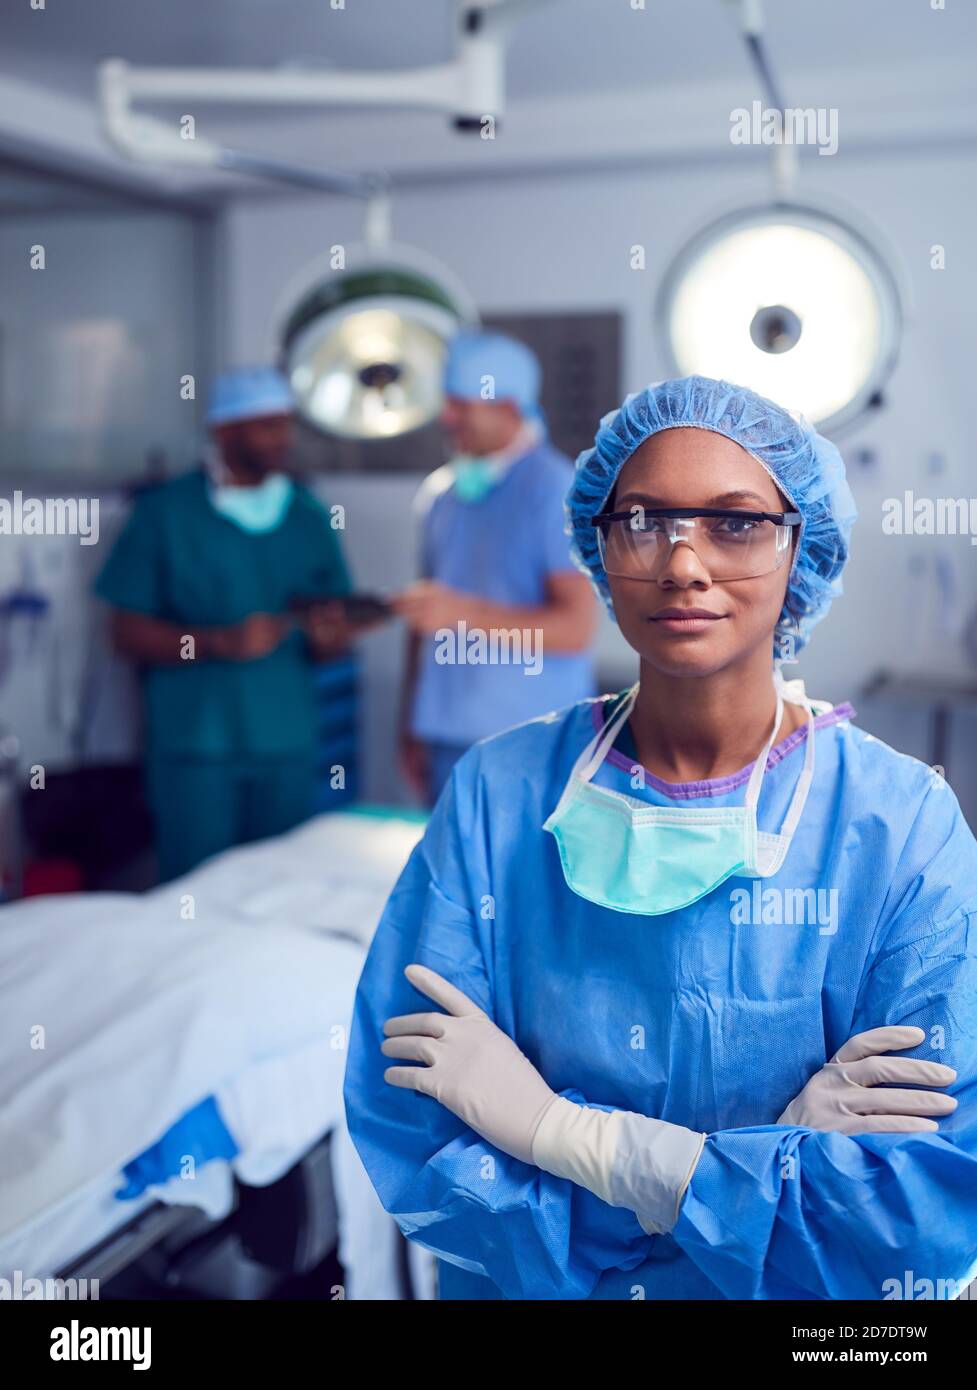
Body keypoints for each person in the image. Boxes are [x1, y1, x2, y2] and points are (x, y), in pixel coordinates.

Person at [344, 375, 977, 1301]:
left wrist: (559, 1135)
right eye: (641, 520)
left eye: (736, 523)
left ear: (799, 545)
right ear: (599, 547)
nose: (682, 563)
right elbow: (421, 1138)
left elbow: (918, 1205)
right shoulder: (496, 795)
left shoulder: (900, 825)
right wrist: (759, 1170)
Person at [96, 367, 357, 882]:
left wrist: (331, 638)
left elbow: (335, 634)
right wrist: (217, 642)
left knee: (280, 890)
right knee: (194, 893)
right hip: (197, 748)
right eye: (267, 426)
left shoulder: (309, 516)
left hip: (286, 743)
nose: (283, 439)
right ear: (224, 430)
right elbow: (125, 633)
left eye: (286, 424)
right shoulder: (165, 513)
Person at [395, 330, 597, 804]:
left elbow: (574, 629)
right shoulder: (443, 494)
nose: (447, 417)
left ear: (508, 406)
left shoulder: (553, 490)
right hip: (446, 736)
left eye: (460, 405)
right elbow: (426, 620)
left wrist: (460, 614)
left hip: (532, 743)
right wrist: (410, 722)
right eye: (446, 403)